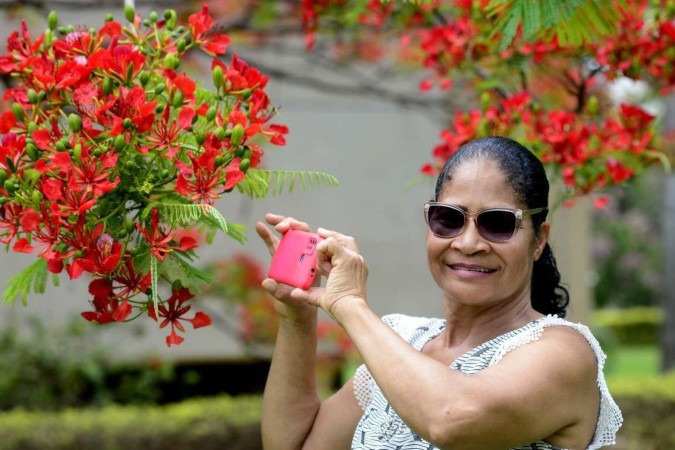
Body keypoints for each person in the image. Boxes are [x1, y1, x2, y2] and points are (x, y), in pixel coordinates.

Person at [255, 136, 622, 450]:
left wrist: (350, 305)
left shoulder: (564, 352)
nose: (468, 242)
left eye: (498, 223)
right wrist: (297, 317)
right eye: (449, 218)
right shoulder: (404, 341)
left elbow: (451, 420)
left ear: (539, 240)